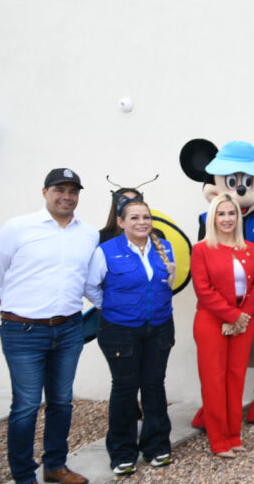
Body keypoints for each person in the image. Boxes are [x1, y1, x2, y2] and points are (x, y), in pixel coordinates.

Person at [0, 168, 98, 484]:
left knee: (62, 402)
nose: (66, 197)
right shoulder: (18, 228)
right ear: (45, 192)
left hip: (69, 329)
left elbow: (88, 280)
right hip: (23, 332)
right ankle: (23, 475)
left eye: (73, 191)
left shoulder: (88, 234)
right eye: (60, 190)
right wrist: (18, 309)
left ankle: (55, 466)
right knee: (26, 405)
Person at [86, 197, 176, 475]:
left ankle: (157, 447)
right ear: (121, 222)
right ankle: (123, 453)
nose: (141, 222)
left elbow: (166, 283)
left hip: (159, 327)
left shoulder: (164, 247)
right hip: (120, 330)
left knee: (154, 386)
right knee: (125, 389)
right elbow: (90, 286)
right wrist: (111, 306)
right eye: (134, 217)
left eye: (146, 217)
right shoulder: (106, 251)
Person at [190, 193, 254, 457]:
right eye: (221, 213)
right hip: (212, 321)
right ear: (213, 218)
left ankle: (233, 435)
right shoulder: (201, 249)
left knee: (236, 378)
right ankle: (218, 440)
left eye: (231, 213)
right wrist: (232, 316)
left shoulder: (250, 248)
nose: (227, 218)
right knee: (214, 381)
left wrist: (242, 317)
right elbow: (203, 289)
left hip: (243, 322)